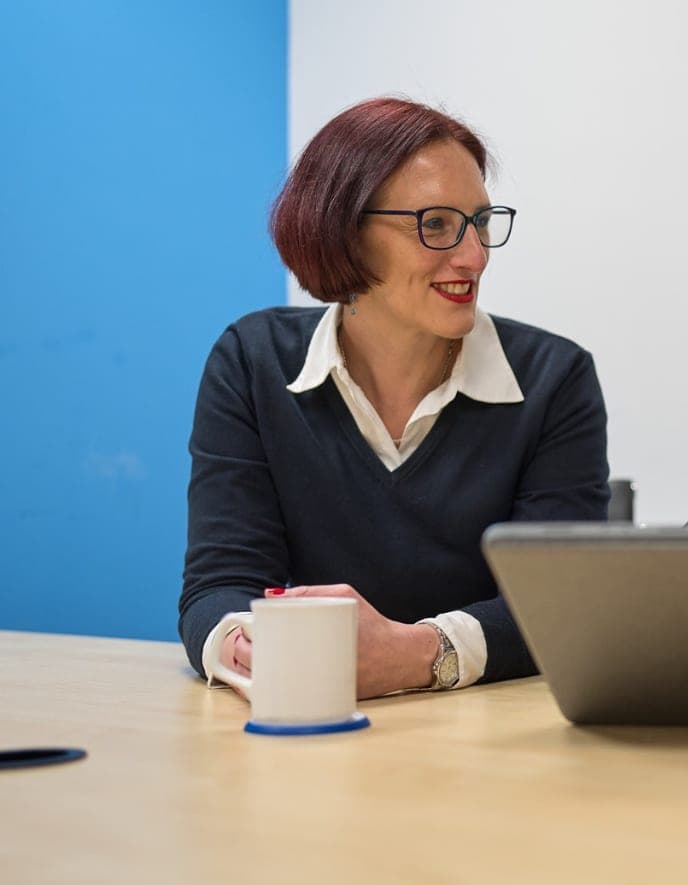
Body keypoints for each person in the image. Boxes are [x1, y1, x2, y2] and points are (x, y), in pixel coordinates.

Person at [179, 98, 609, 699]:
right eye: (435, 225)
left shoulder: (553, 377)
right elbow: (218, 587)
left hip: (489, 741)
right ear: (343, 231)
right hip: (311, 728)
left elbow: (562, 602)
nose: (475, 256)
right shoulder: (252, 361)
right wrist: (257, 650)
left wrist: (417, 656)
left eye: (481, 222)